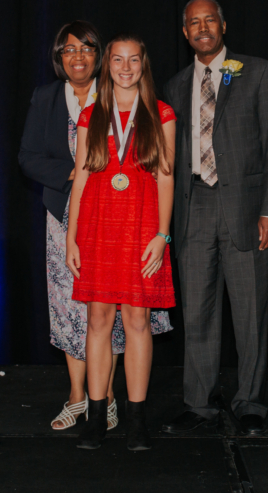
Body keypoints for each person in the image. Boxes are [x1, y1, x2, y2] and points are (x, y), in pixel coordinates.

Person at [162, 0, 268, 436]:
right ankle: (199, 403)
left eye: (209, 20)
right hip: (193, 206)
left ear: (223, 25)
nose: (202, 28)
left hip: (247, 210)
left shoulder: (258, 71)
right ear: (185, 33)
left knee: (250, 311)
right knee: (197, 311)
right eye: (194, 23)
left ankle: (250, 402)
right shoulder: (176, 85)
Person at [66, 33, 176, 451]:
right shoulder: (91, 114)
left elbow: (166, 178)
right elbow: (80, 181)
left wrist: (162, 235)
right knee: (97, 320)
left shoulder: (161, 113)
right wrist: (72, 239)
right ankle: (96, 417)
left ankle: (136, 420)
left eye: (133, 60)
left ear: (143, 64)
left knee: (137, 322)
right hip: (97, 230)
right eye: (117, 59)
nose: (125, 67)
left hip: (142, 230)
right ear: (107, 65)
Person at [18, 21, 124, 432]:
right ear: (59, 58)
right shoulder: (45, 97)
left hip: (114, 216)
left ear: (99, 55)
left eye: (86, 48)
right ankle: (78, 396)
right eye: (69, 49)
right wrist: (76, 174)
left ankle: (107, 397)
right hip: (63, 215)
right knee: (68, 307)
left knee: (108, 308)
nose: (78, 57)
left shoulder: (117, 93)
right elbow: (28, 158)